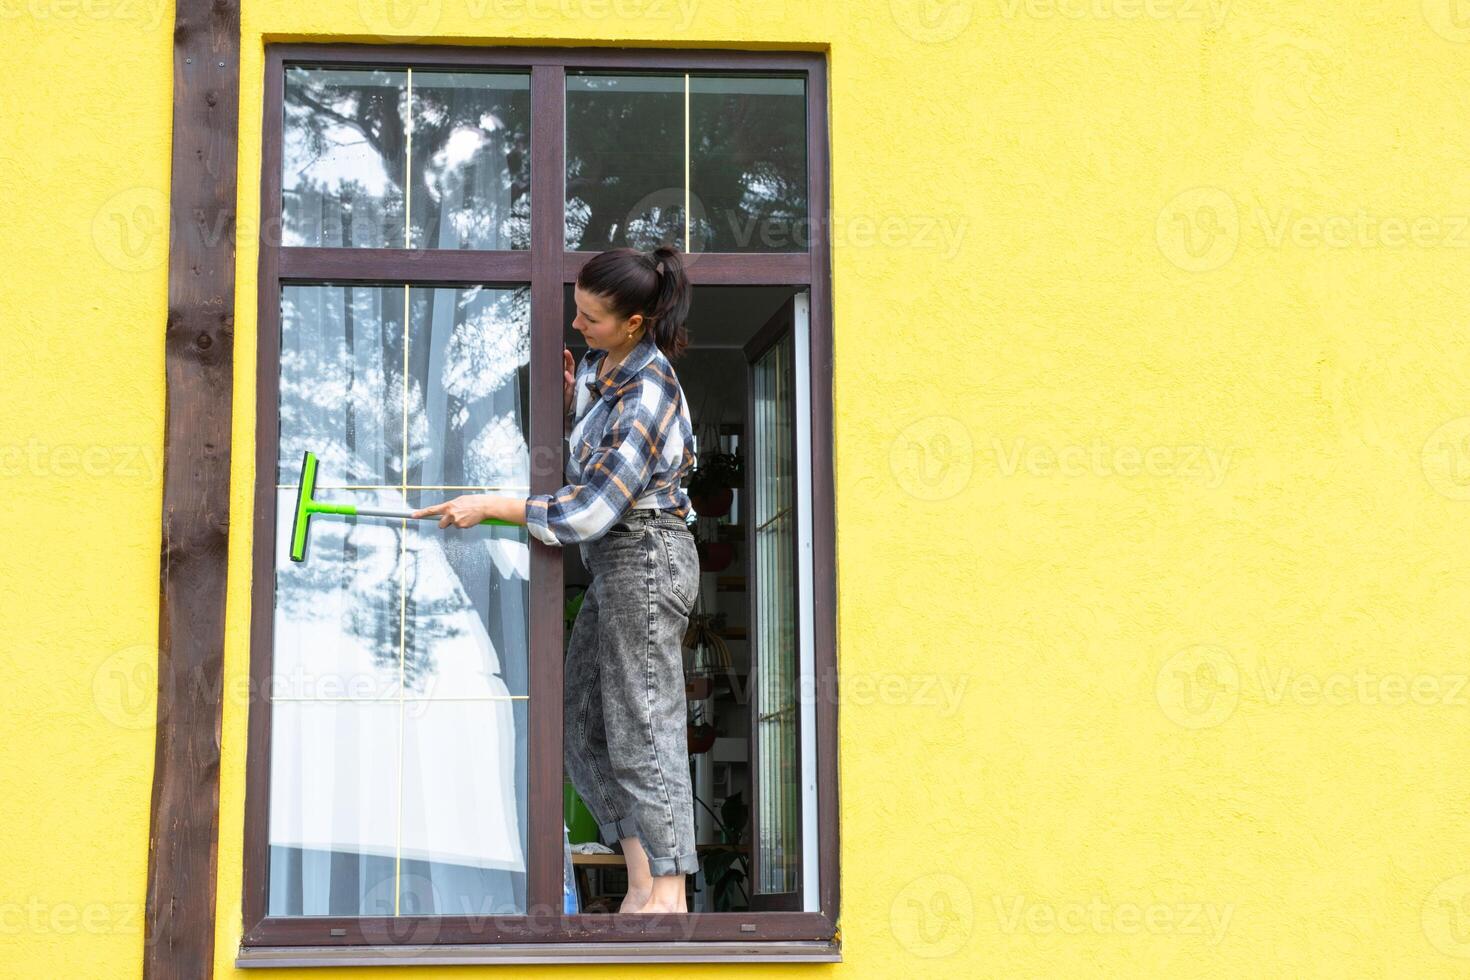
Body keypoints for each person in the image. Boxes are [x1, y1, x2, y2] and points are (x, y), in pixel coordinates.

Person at [412, 244, 701, 914]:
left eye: (592, 318)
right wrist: (577, 400)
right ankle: (640, 880)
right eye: (577, 310)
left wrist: (494, 506)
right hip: (616, 562)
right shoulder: (607, 372)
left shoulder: (649, 390)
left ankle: (668, 896)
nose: (578, 326)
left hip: (647, 554)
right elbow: (597, 471)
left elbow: (593, 508)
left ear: (635, 322)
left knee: (642, 722)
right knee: (580, 721)